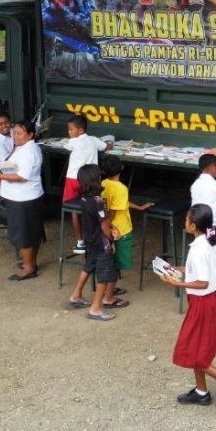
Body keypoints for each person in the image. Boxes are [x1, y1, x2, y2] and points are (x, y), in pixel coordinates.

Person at [159, 204, 216, 407]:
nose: (184, 221)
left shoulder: (198, 249)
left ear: (193, 226)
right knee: (198, 345)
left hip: (202, 302)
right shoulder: (209, 240)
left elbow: (202, 282)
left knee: (190, 346)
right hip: (206, 301)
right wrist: (177, 269)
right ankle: (201, 392)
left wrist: (176, 283)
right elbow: (200, 270)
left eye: (187, 219)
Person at [66, 164, 120, 321]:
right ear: (96, 180)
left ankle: (76, 295)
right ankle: (95, 308)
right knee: (104, 275)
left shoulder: (83, 198)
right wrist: (112, 238)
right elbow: (103, 225)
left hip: (90, 240)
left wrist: (112, 226)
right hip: (101, 244)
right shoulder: (97, 201)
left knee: (88, 266)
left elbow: (100, 220)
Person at [101, 154, 153, 303]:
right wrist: (109, 225)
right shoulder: (121, 188)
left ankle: (108, 289)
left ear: (103, 171)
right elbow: (114, 210)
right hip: (120, 230)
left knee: (110, 260)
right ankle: (108, 297)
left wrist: (140, 207)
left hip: (109, 229)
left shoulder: (104, 183)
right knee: (116, 263)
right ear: (122, 168)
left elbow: (120, 203)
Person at [0, 119, 43, 281]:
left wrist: (1, 176)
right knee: (31, 231)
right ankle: (31, 263)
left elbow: (22, 176)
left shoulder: (28, 151)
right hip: (27, 196)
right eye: (14, 133)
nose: (15, 136)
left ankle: (28, 268)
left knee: (23, 233)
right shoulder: (25, 147)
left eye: (20, 133)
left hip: (22, 198)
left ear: (30, 135)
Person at [64, 115, 111, 255]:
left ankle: (80, 243)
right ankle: (98, 239)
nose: (69, 132)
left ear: (80, 130)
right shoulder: (94, 140)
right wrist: (110, 143)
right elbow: (106, 147)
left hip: (73, 179)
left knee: (74, 210)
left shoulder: (73, 142)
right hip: (90, 179)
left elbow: (66, 146)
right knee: (95, 207)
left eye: (71, 129)